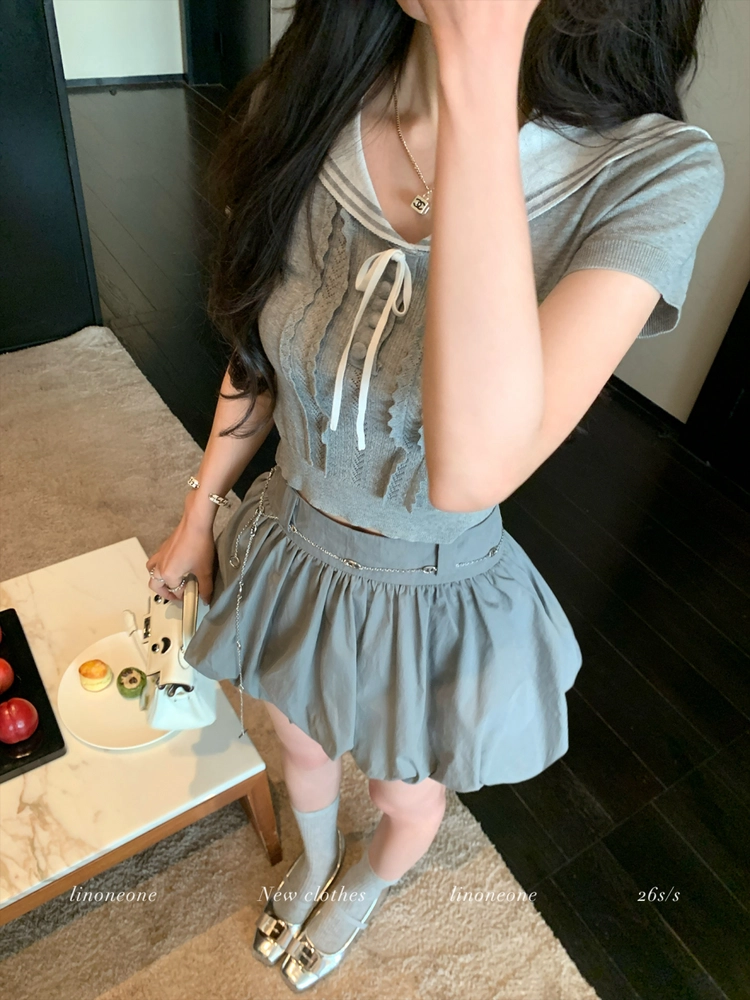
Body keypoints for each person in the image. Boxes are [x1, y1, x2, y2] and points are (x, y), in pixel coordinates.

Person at [146, 0, 724, 991]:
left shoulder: (655, 172)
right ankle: (313, 862)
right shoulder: (314, 100)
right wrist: (198, 512)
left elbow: (471, 468)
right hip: (289, 545)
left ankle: (364, 884)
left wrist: (478, 53)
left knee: (404, 797)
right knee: (299, 745)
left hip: (428, 594)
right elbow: (258, 351)